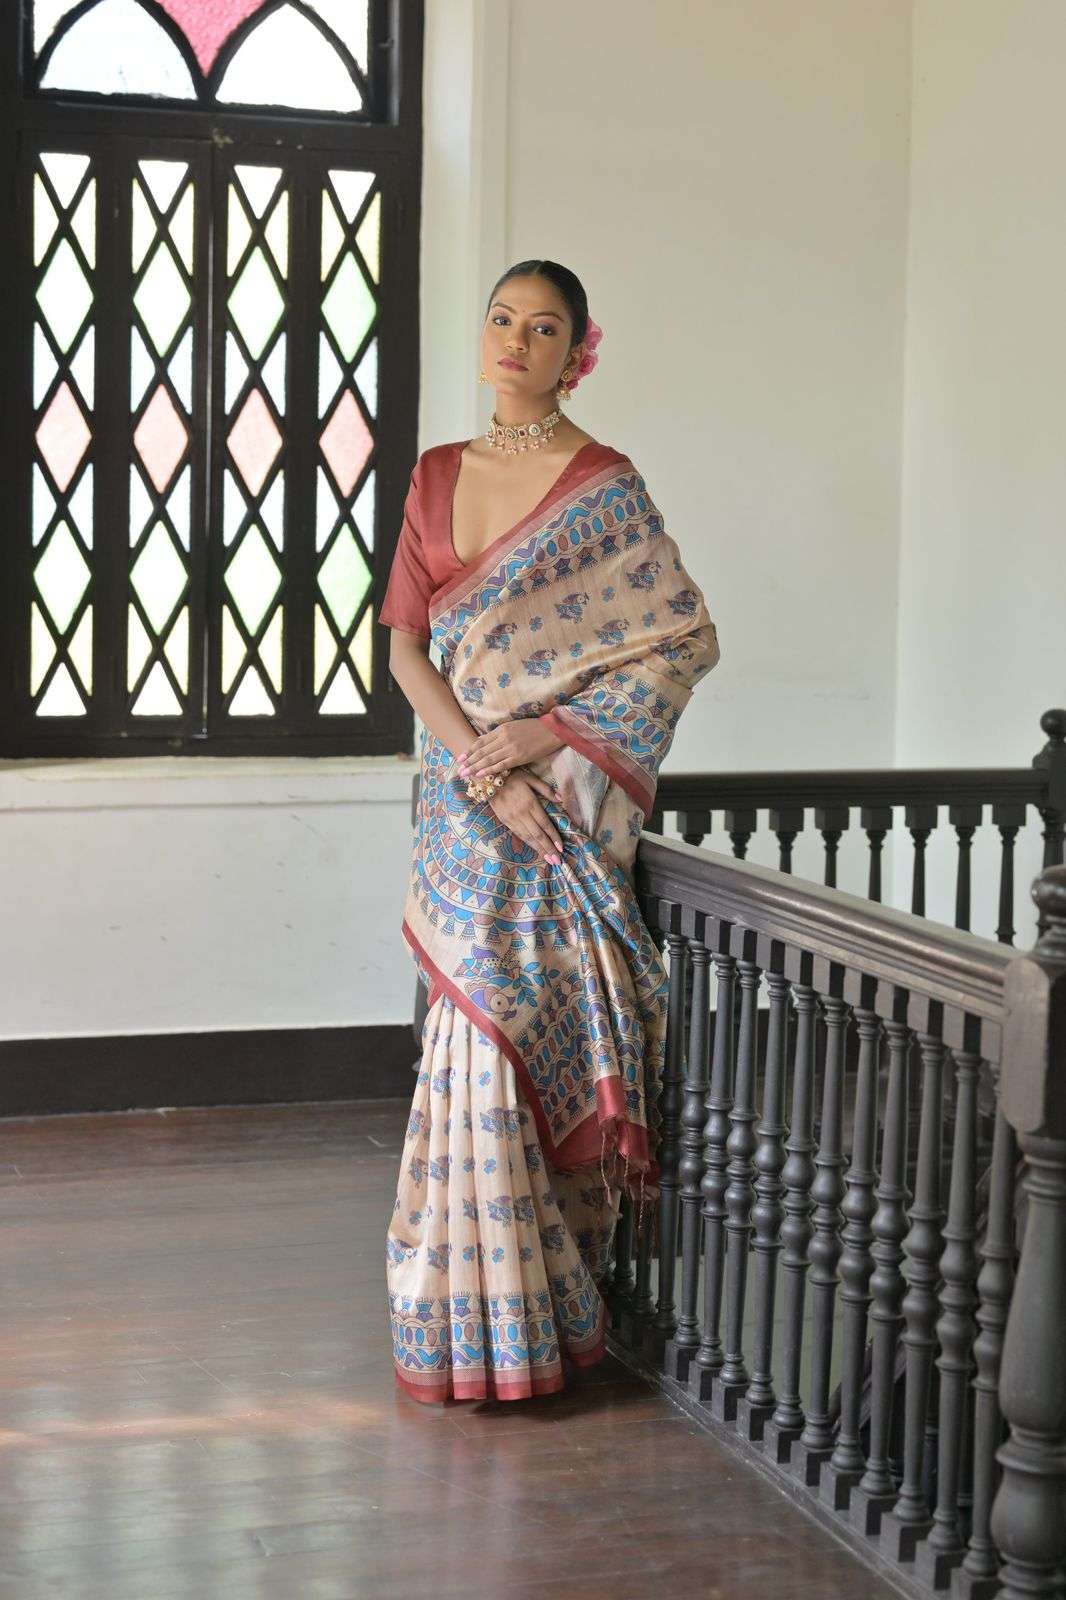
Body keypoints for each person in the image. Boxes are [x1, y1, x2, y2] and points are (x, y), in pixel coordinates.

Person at [380, 258, 721, 1404]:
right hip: (462, 796)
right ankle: (462, 1316)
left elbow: (680, 641)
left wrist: (544, 735)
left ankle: (542, 1311)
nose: (514, 342)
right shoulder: (434, 475)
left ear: (577, 351)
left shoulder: (604, 488)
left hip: (561, 799)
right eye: (501, 319)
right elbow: (405, 650)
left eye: (541, 328)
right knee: (470, 1033)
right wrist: (482, 766)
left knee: (523, 1024)